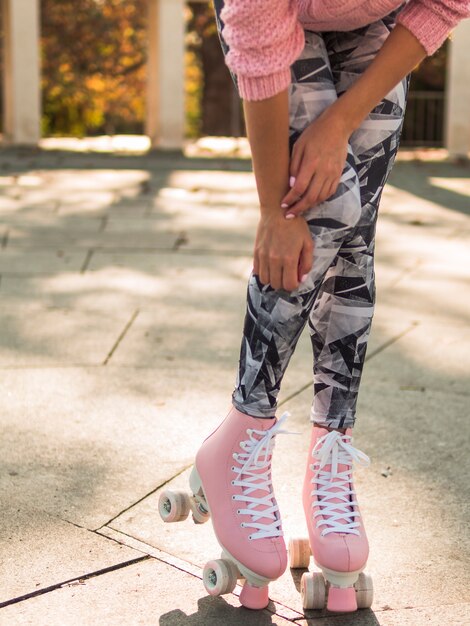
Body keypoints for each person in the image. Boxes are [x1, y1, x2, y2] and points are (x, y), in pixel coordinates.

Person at [192, 0, 470, 612]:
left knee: (354, 233)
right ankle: (242, 431)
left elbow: (443, 4)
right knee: (326, 208)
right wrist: (275, 211)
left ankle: (330, 454)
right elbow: (262, 48)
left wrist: (340, 123)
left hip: (375, 24)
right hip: (280, 17)